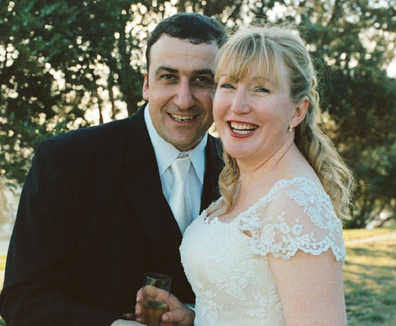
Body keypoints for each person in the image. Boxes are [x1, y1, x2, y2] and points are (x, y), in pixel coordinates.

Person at [0, 13, 226, 326]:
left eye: (203, 80)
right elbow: (24, 297)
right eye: (169, 78)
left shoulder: (242, 170)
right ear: (147, 83)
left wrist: (197, 317)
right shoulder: (67, 161)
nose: (184, 99)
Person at [138, 25, 354, 325]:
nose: (237, 106)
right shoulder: (243, 180)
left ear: (297, 111)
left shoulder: (296, 204)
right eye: (228, 85)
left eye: (261, 89)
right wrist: (194, 318)